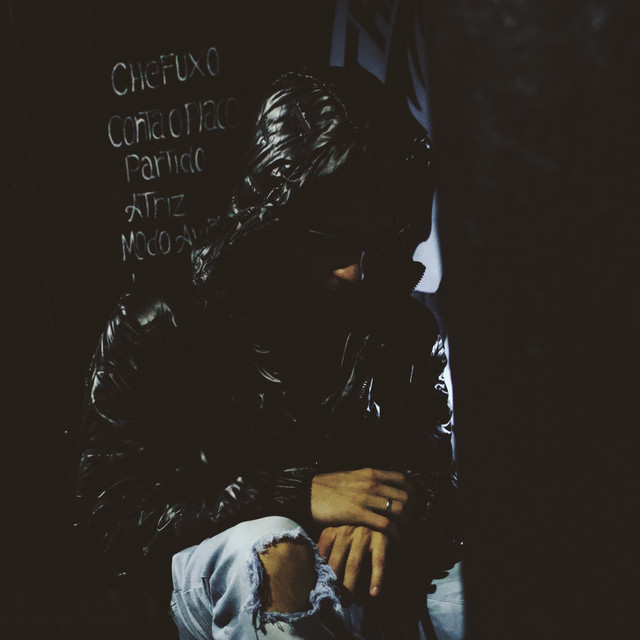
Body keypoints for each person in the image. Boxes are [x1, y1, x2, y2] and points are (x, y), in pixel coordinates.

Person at [76, 67, 460, 640]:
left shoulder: (394, 321)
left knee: (483, 591)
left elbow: (439, 472)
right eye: (328, 241)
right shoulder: (162, 323)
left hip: (371, 564)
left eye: (373, 245)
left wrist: (382, 513)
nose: (354, 271)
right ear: (269, 219)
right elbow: (111, 523)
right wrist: (298, 494)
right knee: (271, 550)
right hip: (216, 571)